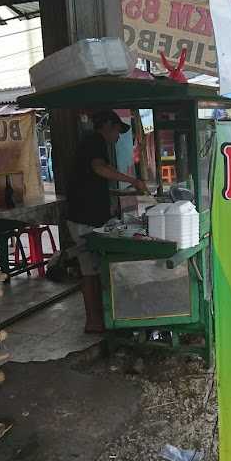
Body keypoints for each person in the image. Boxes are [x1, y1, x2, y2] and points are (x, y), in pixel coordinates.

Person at [67, 110, 148, 332]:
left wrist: (120, 192)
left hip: (89, 216)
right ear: (108, 126)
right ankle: (95, 322)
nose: (118, 137)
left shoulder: (94, 144)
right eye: (118, 131)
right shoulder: (95, 141)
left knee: (92, 269)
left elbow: (101, 172)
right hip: (84, 218)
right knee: (90, 270)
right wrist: (133, 180)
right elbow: (98, 169)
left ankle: (101, 318)